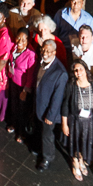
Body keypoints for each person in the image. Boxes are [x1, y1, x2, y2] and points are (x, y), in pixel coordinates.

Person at [61, 59, 93, 180]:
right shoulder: (71, 86)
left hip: (89, 122)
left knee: (83, 143)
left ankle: (81, 159)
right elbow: (65, 105)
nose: (78, 72)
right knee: (75, 143)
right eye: (76, 71)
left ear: (86, 70)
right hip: (75, 122)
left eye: (80, 69)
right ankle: (75, 163)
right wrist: (64, 124)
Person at [33, 37, 67, 171]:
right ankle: (38, 149)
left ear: (54, 53)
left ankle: (47, 158)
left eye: (48, 51)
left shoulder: (60, 73)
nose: (45, 53)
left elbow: (57, 98)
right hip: (38, 104)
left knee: (47, 136)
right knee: (39, 131)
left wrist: (51, 116)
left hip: (49, 112)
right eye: (43, 50)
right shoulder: (41, 62)